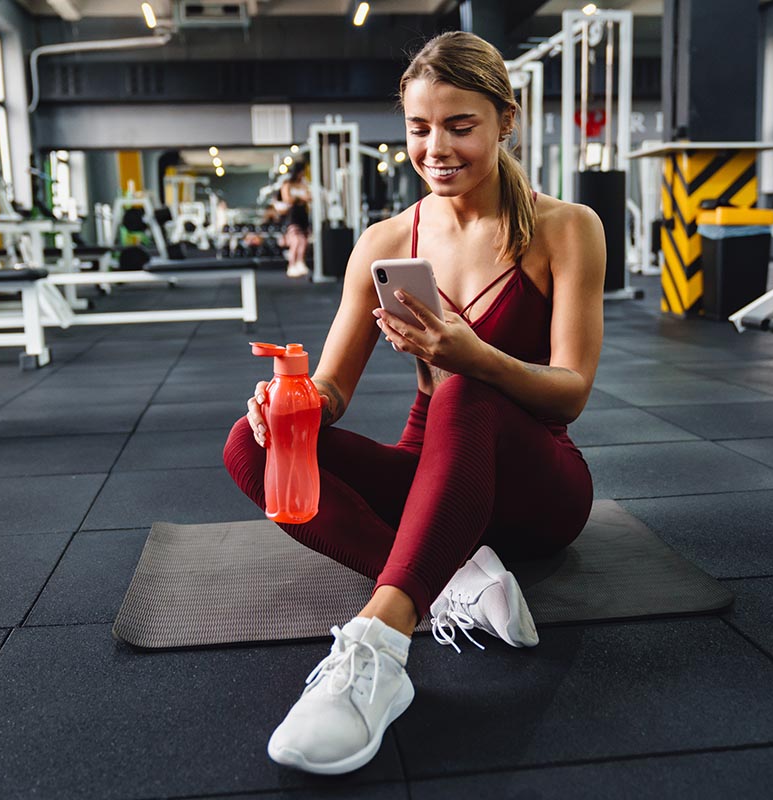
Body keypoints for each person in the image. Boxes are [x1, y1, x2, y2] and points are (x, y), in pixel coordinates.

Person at [223, 30, 605, 776]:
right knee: (250, 444)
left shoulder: (566, 229)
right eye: (420, 128)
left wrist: (474, 357)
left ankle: (381, 645)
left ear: (505, 119)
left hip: (540, 485)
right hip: (436, 476)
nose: (437, 148)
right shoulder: (385, 242)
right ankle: (461, 574)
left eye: (460, 126)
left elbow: (573, 393)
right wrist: (293, 405)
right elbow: (332, 388)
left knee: (465, 388)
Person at [281, 162, 312, 277]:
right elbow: (287, 199)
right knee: (296, 241)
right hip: (293, 216)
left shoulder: (303, 184)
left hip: (303, 215)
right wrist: (300, 198)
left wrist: (301, 198)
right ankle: (291, 265)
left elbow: (309, 197)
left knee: (303, 242)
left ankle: (299, 262)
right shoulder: (287, 184)